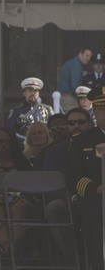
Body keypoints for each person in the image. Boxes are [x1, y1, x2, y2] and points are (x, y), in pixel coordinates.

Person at [43, 108, 92, 265]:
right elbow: (49, 185)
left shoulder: (100, 145)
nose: (76, 126)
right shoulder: (54, 151)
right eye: (71, 123)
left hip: (96, 198)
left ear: (90, 124)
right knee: (54, 207)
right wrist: (71, 197)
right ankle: (72, 261)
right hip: (67, 201)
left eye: (81, 122)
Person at [67, 86, 105, 270]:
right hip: (96, 198)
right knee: (93, 207)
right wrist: (95, 188)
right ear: (95, 112)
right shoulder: (82, 141)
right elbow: (73, 177)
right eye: (102, 109)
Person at [0, 128, 32, 257]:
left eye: (7, 141)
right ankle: (9, 249)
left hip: (19, 198)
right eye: (0, 141)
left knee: (20, 207)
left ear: (13, 143)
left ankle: (14, 250)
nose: (3, 144)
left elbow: (29, 184)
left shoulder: (22, 162)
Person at [5, 77, 54, 142]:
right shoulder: (16, 111)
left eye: (35, 91)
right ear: (24, 93)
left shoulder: (47, 110)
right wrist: (25, 140)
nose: (33, 93)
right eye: (30, 90)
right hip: (23, 146)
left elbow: (53, 129)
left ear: (38, 94)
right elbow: (9, 131)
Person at [58, 47, 92, 112]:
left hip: (65, 96)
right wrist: (81, 99)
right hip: (68, 97)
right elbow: (75, 85)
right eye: (87, 56)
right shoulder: (76, 65)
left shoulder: (72, 63)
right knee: (73, 117)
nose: (88, 59)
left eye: (90, 57)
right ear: (80, 54)